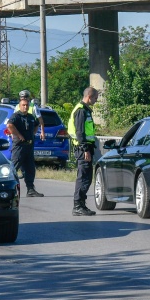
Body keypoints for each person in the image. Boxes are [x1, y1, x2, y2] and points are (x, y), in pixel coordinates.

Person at [68, 86, 99, 216]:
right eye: (95, 98)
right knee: (84, 178)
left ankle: (81, 205)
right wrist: (85, 149)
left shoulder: (85, 110)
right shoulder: (81, 111)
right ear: (89, 97)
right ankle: (77, 206)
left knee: (86, 177)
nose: (96, 101)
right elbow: (80, 132)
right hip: (83, 149)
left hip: (85, 148)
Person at [7, 97, 44, 197]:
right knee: (14, 167)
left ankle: (30, 189)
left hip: (29, 145)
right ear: (20, 106)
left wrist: (33, 133)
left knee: (30, 168)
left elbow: (37, 124)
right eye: (23, 105)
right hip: (19, 146)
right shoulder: (16, 116)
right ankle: (7, 188)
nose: (25, 107)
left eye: (27, 105)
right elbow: (9, 125)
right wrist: (19, 135)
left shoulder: (31, 117)